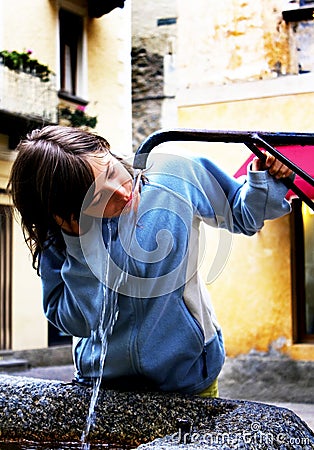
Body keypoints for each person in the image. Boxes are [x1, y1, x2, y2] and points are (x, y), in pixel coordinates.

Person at [8, 125, 293, 397]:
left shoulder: (174, 174)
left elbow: (243, 215)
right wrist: (81, 242)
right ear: (66, 211)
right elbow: (80, 324)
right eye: (99, 198)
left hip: (189, 377)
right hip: (101, 386)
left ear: (104, 148)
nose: (121, 191)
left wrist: (263, 180)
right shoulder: (61, 234)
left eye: (111, 171)